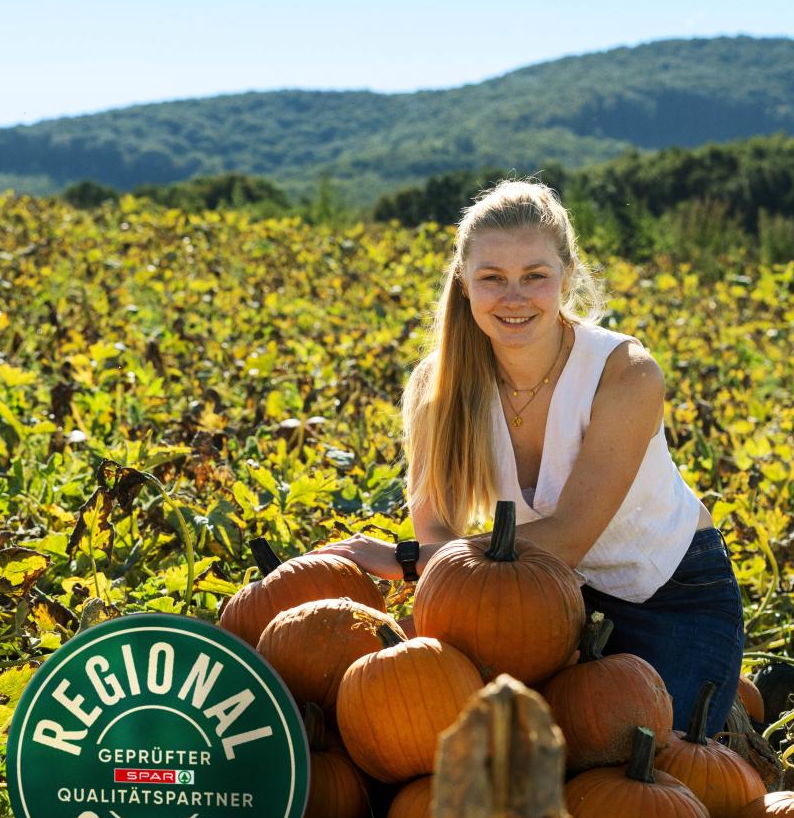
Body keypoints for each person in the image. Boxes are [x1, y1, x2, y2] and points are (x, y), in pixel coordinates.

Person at [310, 179, 744, 731]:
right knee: (498, 757)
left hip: (669, 595)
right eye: (492, 278)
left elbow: (566, 537)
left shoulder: (624, 372)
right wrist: (429, 556)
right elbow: (438, 529)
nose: (513, 297)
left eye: (534, 276)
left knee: (653, 769)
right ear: (464, 285)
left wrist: (413, 560)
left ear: (565, 277)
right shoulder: (436, 388)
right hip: (538, 605)